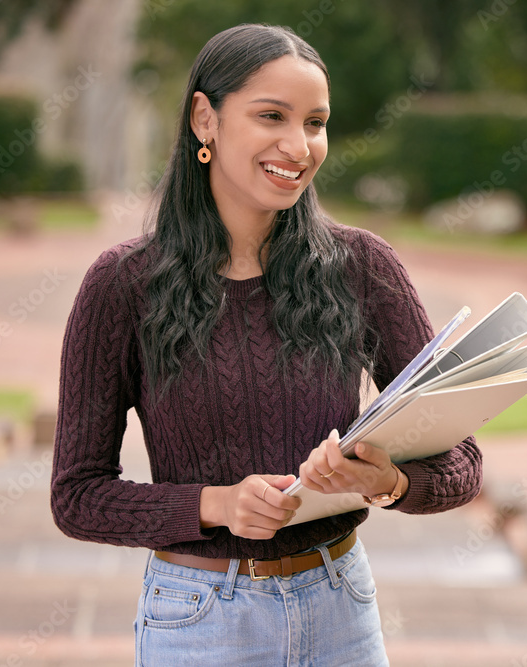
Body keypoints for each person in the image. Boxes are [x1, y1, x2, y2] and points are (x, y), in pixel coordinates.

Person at [50, 23, 482, 666]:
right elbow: (78, 496)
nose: (299, 145)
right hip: (197, 621)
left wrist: (386, 480)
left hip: (342, 612)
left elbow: (463, 463)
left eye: (315, 122)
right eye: (272, 116)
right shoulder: (122, 287)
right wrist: (217, 505)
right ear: (205, 118)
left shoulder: (362, 267)